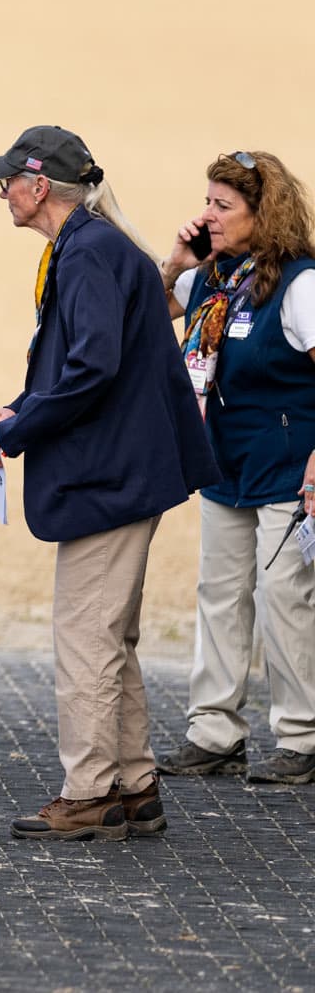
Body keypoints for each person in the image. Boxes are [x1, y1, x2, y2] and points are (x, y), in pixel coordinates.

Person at [0, 126, 216, 841]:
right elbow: (89, 366)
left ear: (40, 185)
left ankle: (87, 793)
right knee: (111, 635)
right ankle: (133, 786)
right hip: (130, 467)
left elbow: (91, 368)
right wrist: (21, 408)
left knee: (84, 634)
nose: (2, 191)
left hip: (112, 474)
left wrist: (16, 428)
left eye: (8, 179)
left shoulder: (86, 256)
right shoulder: (95, 247)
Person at [154, 150, 315, 786]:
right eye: (207, 202)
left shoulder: (302, 286)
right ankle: (214, 733)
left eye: (223, 206)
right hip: (224, 464)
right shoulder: (212, 280)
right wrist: (175, 260)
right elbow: (143, 309)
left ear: (262, 214)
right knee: (218, 595)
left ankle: (301, 737)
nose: (208, 216)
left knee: (285, 600)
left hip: (287, 469)